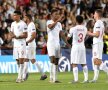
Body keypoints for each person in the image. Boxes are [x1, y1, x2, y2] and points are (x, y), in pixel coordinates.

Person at [47, 9, 71, 83]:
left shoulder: (59, 24)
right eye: (55, 14)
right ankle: (51, 78)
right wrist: (57, 21)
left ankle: (55, 78)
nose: (57, 15)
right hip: (51, 43)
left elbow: (61, 34)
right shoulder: (49, 22)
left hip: (57, 44)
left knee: (57, 61)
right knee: (52, 60)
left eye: (58, 14)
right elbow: (50, 27)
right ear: (52, 15)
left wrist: (67, 43)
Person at [23, 14, 47, 81]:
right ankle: (24, 76)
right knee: (26, 60)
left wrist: (27, 42)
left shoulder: (31, 25)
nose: (24, 18)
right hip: (28, 45)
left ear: (28, 18)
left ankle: (43, 74)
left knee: (32, 60)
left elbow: (33, 36)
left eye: (25, 17)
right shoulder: (28, 25)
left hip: (30, 45)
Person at [67, 15, 88, 83]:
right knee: (83, 63)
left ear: (76, 20)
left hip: (75, 47)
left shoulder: (73, 29)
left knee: (74, 63)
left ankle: (76, 80)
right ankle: (86, 79)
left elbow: (68, 38)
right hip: (82, 46)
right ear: (82, 21)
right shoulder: (85, 28)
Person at [88, 9, 105, 83]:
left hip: (97, 43)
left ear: (97, 14)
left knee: (97, 61)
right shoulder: (100, 23)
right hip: (98, 43)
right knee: (95, 61)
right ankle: (95, 79)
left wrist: (89, 33)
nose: (93, 15)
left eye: (94, 13)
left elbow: (97, 35)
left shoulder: (98, 23)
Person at [10, 10, 27, 83]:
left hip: (22, 44)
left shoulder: (23, 24)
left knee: (21, 60)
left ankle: (19, 77)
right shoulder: (13, 24)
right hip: (15, 44)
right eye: (13, 15)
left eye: (15, 15)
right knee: (17, 61)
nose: (14, 17)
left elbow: (25, 35)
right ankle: (23, 75)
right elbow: (11, 32)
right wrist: (12, 35)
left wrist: (16, 36)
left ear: (19, 15)